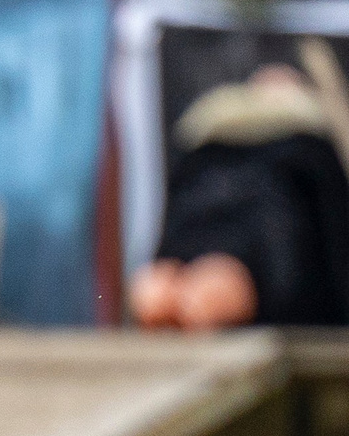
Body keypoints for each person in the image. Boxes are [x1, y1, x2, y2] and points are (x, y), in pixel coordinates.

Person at [131, 63, 349, 331]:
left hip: (228, 256)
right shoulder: (310, 147)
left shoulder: (209, 134)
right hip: (258, 262)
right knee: (175, 294)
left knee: (171, 293)